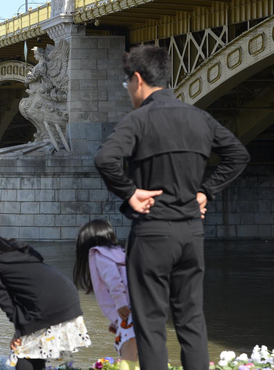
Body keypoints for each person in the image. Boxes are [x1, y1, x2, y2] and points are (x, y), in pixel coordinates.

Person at [94, 45, 250, 370]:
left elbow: (105, 159)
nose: (128, 92)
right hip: (191, 233)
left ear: (137, 79)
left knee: (151, 326)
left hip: (152, 233)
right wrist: (206, 191)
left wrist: (130, 192)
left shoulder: (137, 120)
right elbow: (238, 155)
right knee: (192, 321)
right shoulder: (200, 118)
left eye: (127, 85)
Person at [0, 217, 90, 370]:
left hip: (45, 303)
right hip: (66, 292)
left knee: (22, 352)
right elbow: (38, 259)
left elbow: (2, 298)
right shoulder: (13, 246)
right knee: (35, 351)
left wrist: (20, 330)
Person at [73, 219, 139, 370]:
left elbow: (113, 279)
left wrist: (120, 303)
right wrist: (116, 321)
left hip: (128, 311)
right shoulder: (121, 252)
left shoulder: (99, 253)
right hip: (139, 307)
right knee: (137, 353)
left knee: (127, 354)